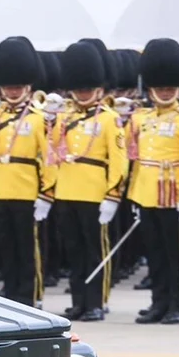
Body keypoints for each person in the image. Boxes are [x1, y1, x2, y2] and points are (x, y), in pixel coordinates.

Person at [48, 42, 127, 323]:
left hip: (95, 194)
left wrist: (113, 195)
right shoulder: (63, 118)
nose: (82, 93)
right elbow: (52, 152)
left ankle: (96, 302)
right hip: (67, 191)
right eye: (78, 88)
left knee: (95, 252)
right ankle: (79, 301)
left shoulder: (110, 119)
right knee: (74, 251)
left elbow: (119, 160)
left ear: (99, 89)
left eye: (87, 88)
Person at [0, 37, 56, 308]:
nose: (12, 91)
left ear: (28, 86)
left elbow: (50, 158)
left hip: (27, 190)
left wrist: (47, 192)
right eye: (8, 86)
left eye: (17, 86)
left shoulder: (39, 118)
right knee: (6, 246)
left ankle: (31, 293)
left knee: (28, 248)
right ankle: (11, 290)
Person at [130, 39, 179, 325]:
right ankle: (158, 303)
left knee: (176, 256)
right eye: (159, 87)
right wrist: (135, 197)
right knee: (156, 255)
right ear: (150, 88)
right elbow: (137, 160)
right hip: (148, 195)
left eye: (169, 88)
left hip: (175, 197)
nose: (164, 92)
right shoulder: (142, 119)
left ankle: (177, 305)